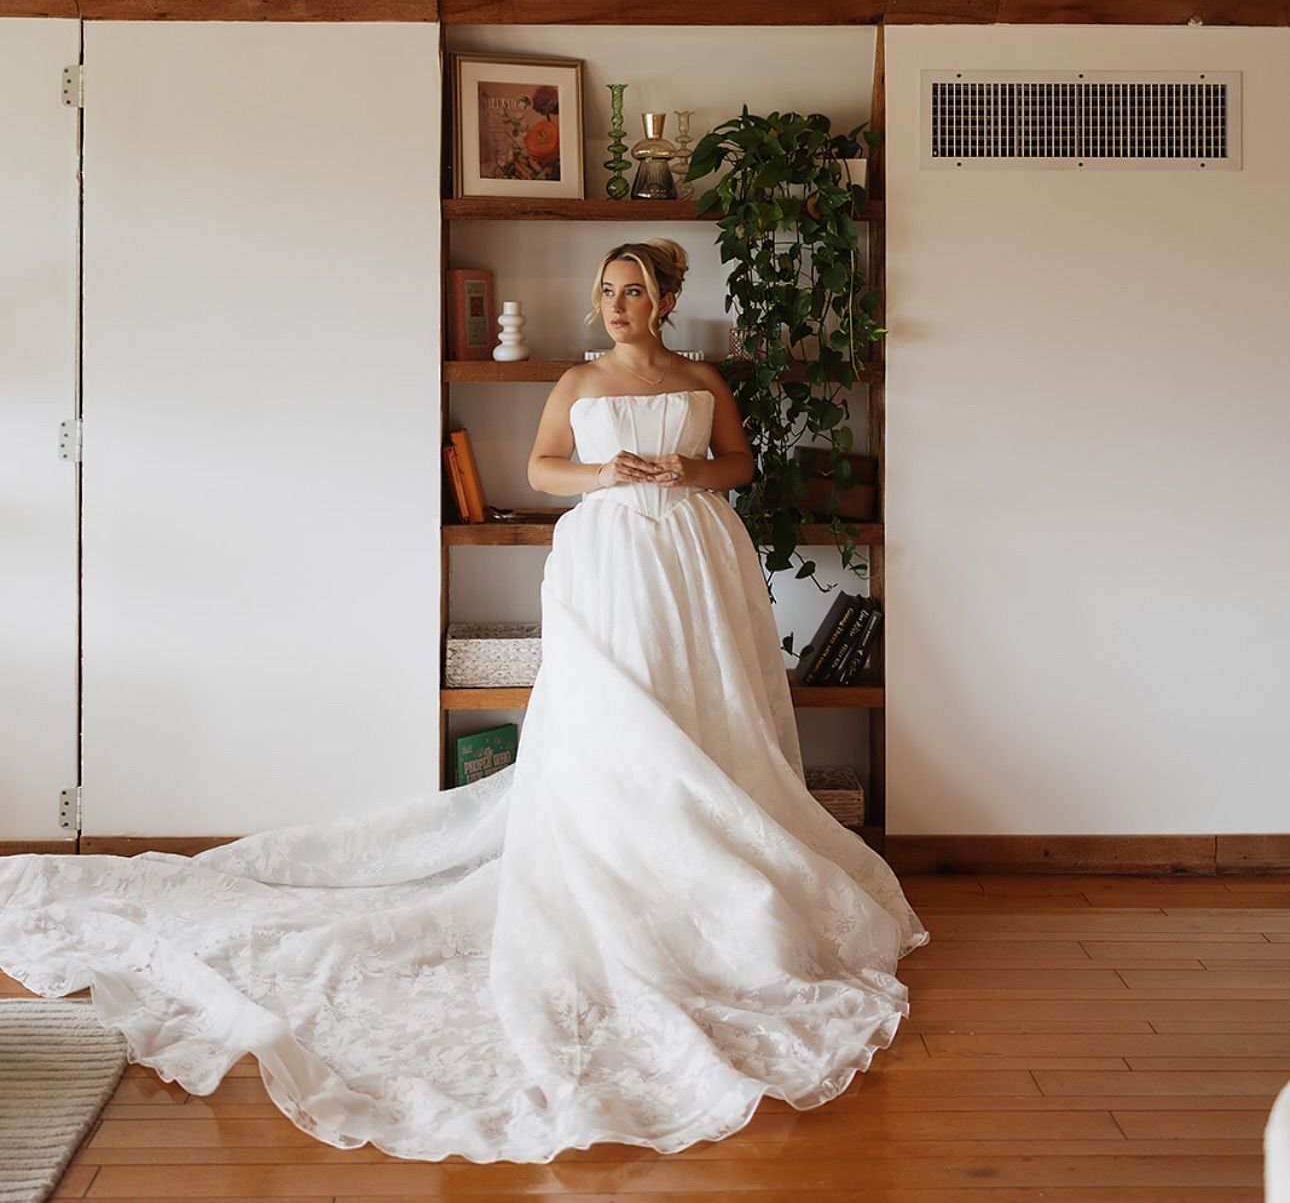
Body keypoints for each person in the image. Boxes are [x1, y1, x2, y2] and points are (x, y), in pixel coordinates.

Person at [0, 236, 927, 1165]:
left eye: (632, 291)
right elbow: (540, 472)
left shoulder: (702, 381)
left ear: (663, 298)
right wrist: (607, 476)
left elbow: (740, 467)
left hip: (691, 555)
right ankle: (620, 849)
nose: (615, 304)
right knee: (616, 716)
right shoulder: (576, 381)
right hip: (607, 562)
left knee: (695, 709)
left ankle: (704, 856)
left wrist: (688, 474)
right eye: (605, 290)